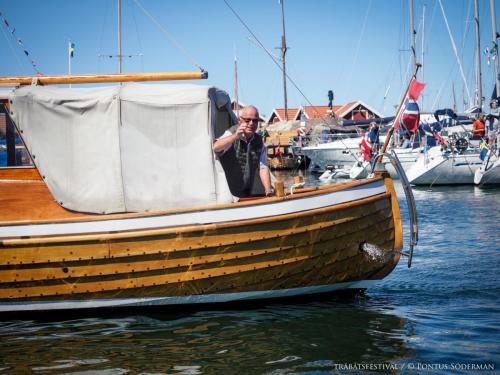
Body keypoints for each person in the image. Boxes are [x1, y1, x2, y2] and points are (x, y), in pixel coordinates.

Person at [213, 105, 273, 198]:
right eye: (247, 120)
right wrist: (235, 136)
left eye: (255, 120)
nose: (251, 123)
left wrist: (268, 190)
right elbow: (216, 147)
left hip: (246, 192)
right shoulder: (231, 132)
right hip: (228, 194)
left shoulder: (258, 140)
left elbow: (263, 168)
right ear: (240, 120)